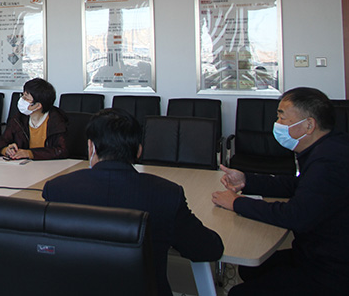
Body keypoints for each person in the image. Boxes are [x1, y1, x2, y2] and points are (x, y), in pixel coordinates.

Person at [43, 109, 223, 296]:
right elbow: (208, 249)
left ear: (91, 147)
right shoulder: (166, 194)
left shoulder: (57, 189)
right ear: (139, 150)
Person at [211, 87, 349, 295]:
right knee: (250, 269)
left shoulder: (330, 162)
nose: (277, 124)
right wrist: (246, 180)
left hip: (330, 269)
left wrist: (236, 202)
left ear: (309, 125)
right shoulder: (329, 146)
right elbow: (299, 185)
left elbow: (295, 216)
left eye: (282, 118)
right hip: (314, 251)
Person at [0, 77, 67, 159]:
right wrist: (6, 150)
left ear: (38, 106)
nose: (21, 100)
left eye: (26, 98)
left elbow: (61, 151)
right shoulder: (19, 118)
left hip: (51, 165)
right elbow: (1, 142)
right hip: (24, 164)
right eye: (22, 96)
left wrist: (29, 153)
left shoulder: (57, 120)